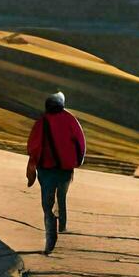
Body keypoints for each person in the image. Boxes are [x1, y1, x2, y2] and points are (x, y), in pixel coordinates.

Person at [25, 90, 86, 255]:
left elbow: (34, 146)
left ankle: (50, 238)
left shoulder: (42, 122)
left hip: (46, 169)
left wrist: (32, 164)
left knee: (47, 204)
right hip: (66, 169)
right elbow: (81, 143)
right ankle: (62, 224)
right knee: (62, 195)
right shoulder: (71, 120)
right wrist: (77, 162)